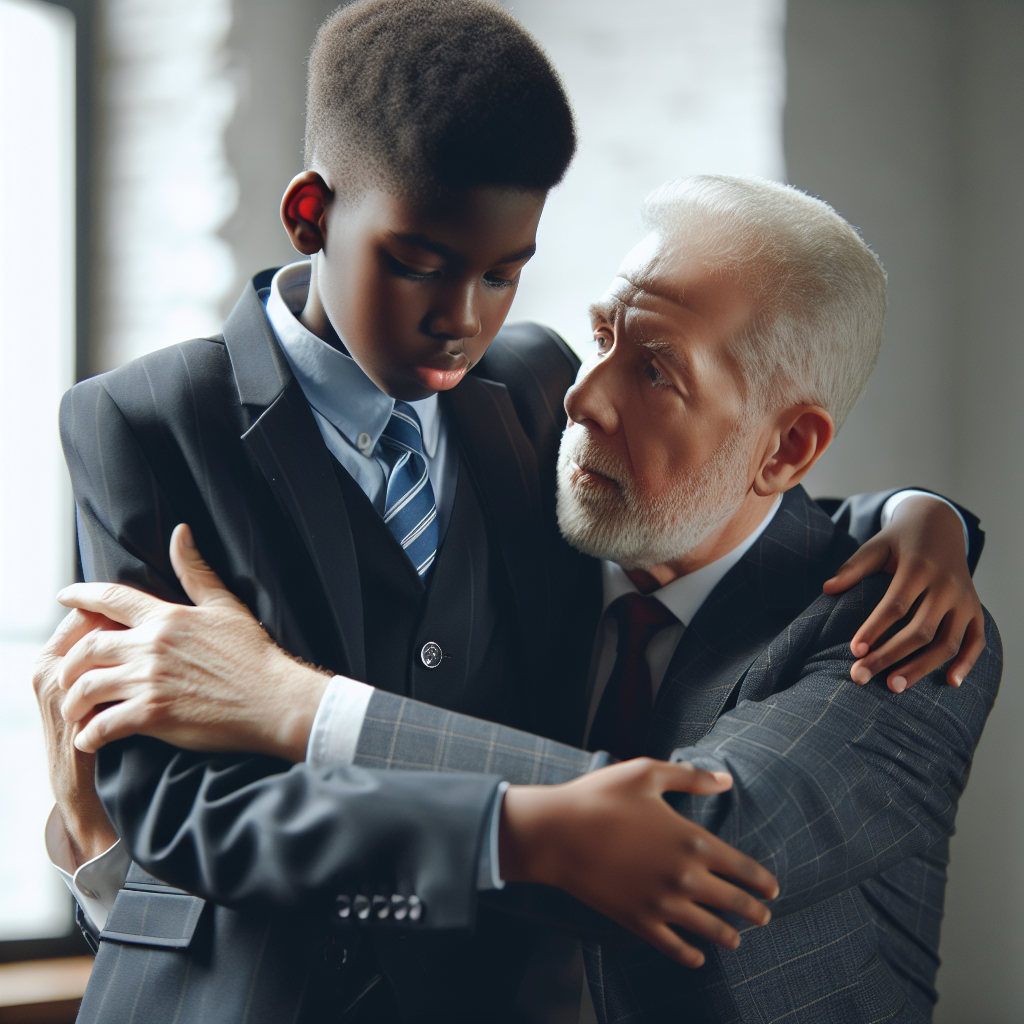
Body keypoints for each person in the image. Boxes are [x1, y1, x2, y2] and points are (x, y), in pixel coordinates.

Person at [40, 171, 997, 1024]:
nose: (584, 397)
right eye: (602, 334)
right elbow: (382, 860)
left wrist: (294, 703)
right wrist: (114, 868)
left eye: (655, 371)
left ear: (786, 449)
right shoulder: (542, 507)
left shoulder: (906, 644)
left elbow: (681, 844)